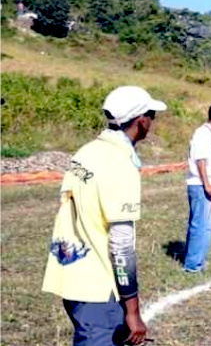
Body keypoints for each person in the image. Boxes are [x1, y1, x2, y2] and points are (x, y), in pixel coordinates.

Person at [42, 85, 166, 346]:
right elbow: (121, 246)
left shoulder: (87, 151)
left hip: (71, 275)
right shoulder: (120, 164)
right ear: (141, 121)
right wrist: (133, 312)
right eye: (152, 115)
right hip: (96, 287)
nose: (152, 122)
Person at [183, 102, 211, 273]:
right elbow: (200, 160)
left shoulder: (208, 133)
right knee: (202, 225)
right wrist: (207, 185)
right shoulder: (203, 134)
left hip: (202, 183)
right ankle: (193, 265)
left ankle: (196, 259)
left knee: (202, 224)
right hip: (200, 184)